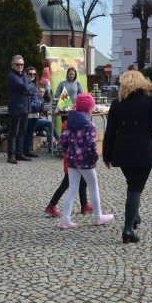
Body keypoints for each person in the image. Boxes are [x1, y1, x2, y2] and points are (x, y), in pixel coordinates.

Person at [102, 70, 152, 244]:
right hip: (143, 151)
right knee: (135, 188)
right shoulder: (150, 101)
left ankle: (134, 217)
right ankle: (127, 229)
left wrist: (106, 155)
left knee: (132, 184)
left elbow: (109, 131)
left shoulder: (117, 103)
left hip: (122, 151)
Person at [56, 93, 112, 229]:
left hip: (71, 161)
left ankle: (65, 219)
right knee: (93, 186)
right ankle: (98, 216)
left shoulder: (69, 122)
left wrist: (68, 152)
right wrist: (94, 158)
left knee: (72, 189)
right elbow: (90, 145)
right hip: (85, 162)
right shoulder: (89, 125)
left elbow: (62, 141)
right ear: (89, 109)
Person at [6, 55, 32, 164]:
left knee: (22, 132)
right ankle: (11, 156)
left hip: (25, 108)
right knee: (14, 133)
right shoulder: (12, 76)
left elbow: (31, 87)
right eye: (17, 64)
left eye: (21, 64)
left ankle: (19, 153)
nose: (20, 66)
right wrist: (27, 88)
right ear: (12, 65)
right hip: (16, 109)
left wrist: (27, 87)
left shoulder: (24, 75)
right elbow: (26, 87)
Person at [22, 66, 53, 157]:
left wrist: (41, 102)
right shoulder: (25, 85)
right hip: (28, 113)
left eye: (34, 74)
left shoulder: (36, 85)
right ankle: (23, 151)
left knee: (30, 132)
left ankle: (27, 150)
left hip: (36, 113)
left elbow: (42, 98)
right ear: (26, 74)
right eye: (30, 74)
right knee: (26, 132)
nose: (32, 76)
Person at [53, 67, 84, 139]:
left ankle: (73, 141)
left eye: (73, 74)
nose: (71, 75)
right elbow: (57, 95)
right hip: (64, 109)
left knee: (73, 126)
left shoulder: (78, 84)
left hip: (74, 109)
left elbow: (82, 96)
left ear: (75, 75)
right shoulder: (62, 83)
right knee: (65, 126)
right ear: (67, 74)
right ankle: (64, 142)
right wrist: (61, 103)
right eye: (70, 74)